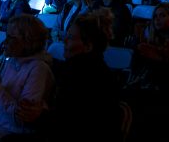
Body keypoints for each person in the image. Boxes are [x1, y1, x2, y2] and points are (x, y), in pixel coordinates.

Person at [47, 11, 123, 142]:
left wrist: (40, 115)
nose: (64, 40)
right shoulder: (97, 69)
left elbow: (68, 124)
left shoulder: (79, 76)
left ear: (88, 46)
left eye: (70, 37)